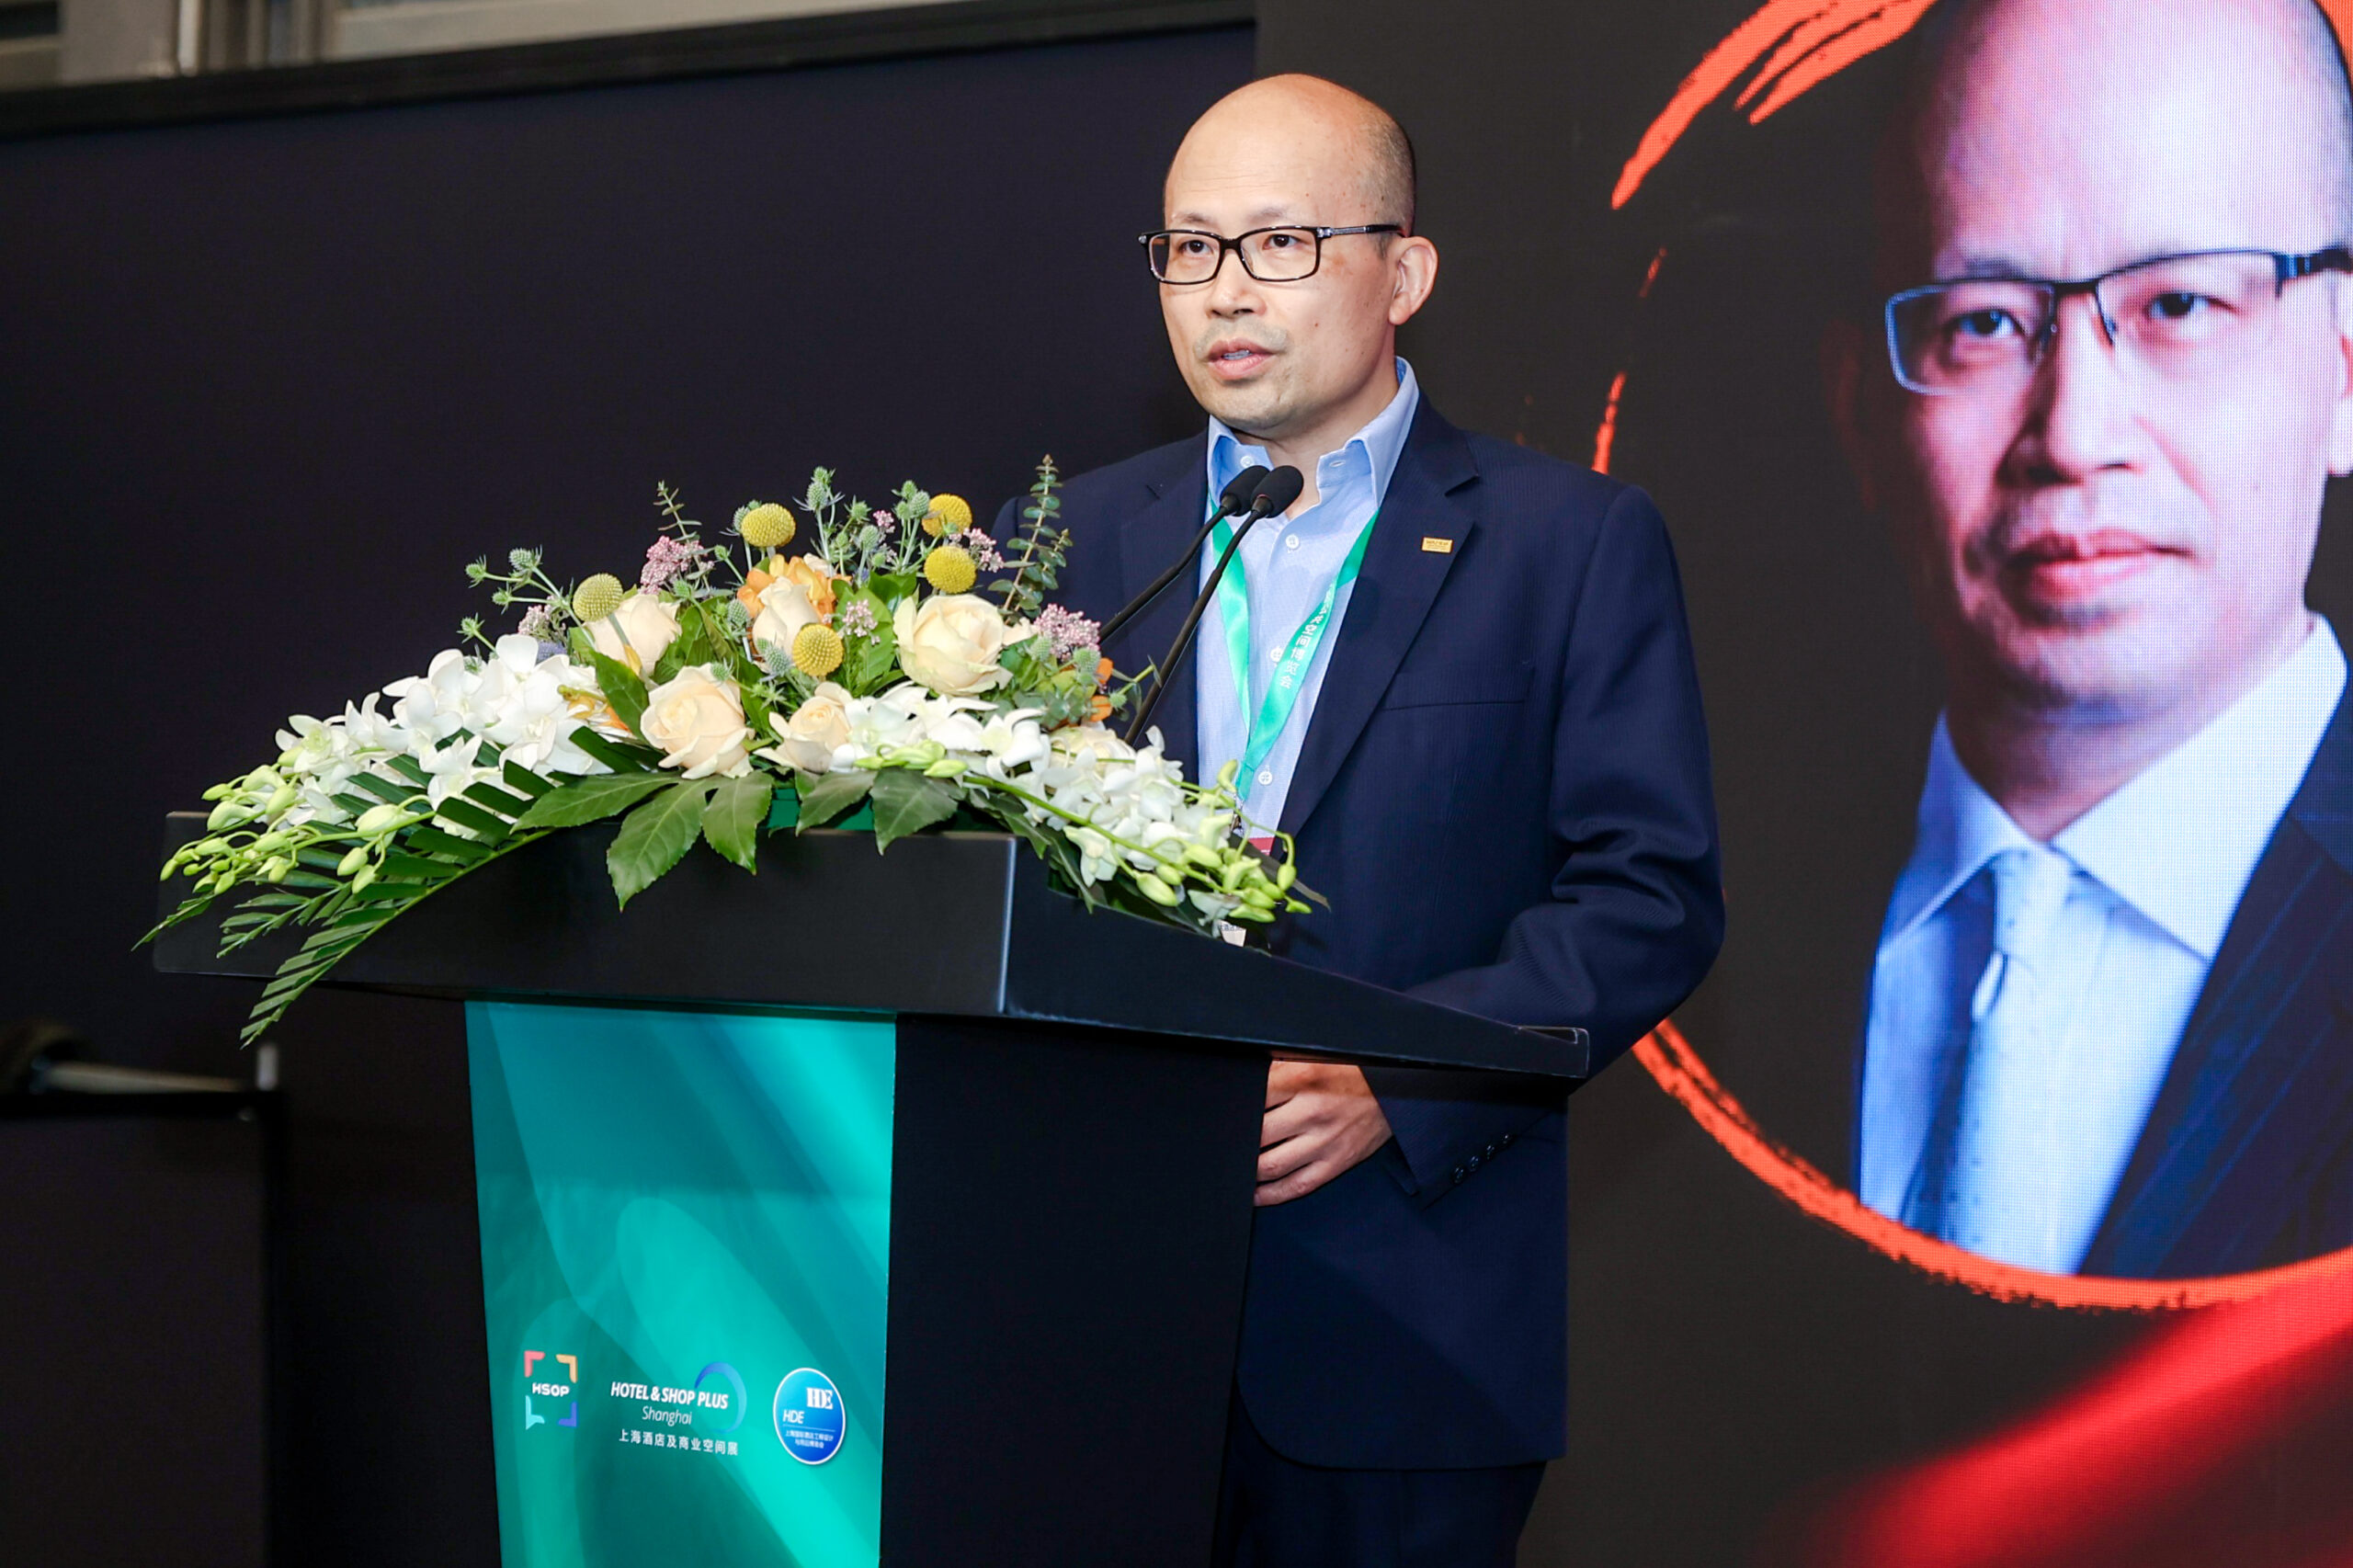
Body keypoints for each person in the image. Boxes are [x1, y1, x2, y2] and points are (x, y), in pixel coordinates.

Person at [1003, 74, 1723, 1566]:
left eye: (1281, 242)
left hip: (1400, 1321)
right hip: (1090, 1319)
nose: (1226, 291)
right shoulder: (1069, 542)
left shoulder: (1566, 543)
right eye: (1189, 249)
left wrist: (1403, 1077)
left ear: (1406, 273)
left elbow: (1647, 896)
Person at [1826, 0, 2353, 1278]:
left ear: (2345, 370)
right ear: (1862, 419)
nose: (2075, 434)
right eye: (1985, 322)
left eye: (2180, 302)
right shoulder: (1691, 909)